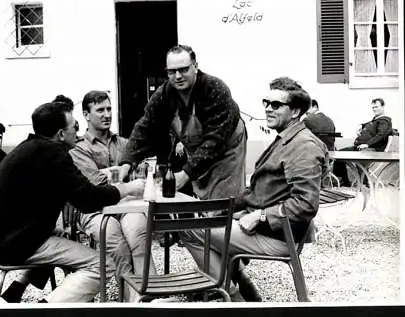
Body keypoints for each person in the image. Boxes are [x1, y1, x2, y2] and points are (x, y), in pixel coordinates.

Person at [181, 77, 329, 302]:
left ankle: (231, 295)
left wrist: (259, 216)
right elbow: (257, 193)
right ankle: (243, 290)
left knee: (189, 230)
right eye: (266, 103)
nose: (268, 109)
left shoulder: (303, 146)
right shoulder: (287, 139)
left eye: (276, 105)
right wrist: (218, 207)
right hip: (267, 229)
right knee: (203, 220)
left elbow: (306, 204)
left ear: (296, 111)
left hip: (279, 237)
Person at [0, 101, 145, 302]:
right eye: (74, 126)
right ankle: (48, 306)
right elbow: (88, 199)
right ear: (60, 134)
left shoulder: (30, 147)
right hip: (12, 244)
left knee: (61, 235)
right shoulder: (53, 154)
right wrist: (126, 188)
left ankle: (17, 289)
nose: (78, 131)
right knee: (103, 265)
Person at [117, 44, 248, 203]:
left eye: (184, 69)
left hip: (227, 148)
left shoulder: (215, 89)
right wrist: (126, 162)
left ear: (195, 67)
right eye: (172, 72)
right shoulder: (164, 94)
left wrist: (186, 173)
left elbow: (215, 140)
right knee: (200, 201)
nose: (178, 76)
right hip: (199, 149)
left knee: (222, 203)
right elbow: (145, 128)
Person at [69, 90, 156, 302]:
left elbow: (143, 171)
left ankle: (151, 293)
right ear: (86, 115)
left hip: (126, 206)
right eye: (100, 110)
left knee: (139, 236)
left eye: (109, 109)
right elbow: (95, 182)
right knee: (117, 243)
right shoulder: (79, 148)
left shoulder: (124, 143)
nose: (107, 114)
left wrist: (131, 171)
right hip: (94, 210)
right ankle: (131, 302)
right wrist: (121, 174)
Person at [332, 98, 393, 186]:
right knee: (339, 155)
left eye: (376, 107)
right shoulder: (376, 120)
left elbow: (381, 134)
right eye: (373, 107)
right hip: (361, 147)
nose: (374, 109)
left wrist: (367, 144)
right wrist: (361, 125)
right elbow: (370, 123)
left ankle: (364, 184)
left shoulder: (384, 121)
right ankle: (344, 181)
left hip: (372, 149)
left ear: (383, 107)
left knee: (361, 157)